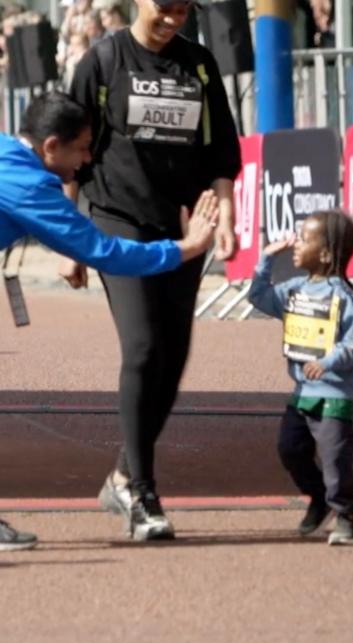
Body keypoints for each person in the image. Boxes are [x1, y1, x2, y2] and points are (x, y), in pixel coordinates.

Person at [0, 91, 218, 551]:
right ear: (51, 146)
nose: (86, 161)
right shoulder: (29, 184)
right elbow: (105, 253)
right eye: (81, 148)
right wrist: (186, 248)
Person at [62, 0, 241, 542]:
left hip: (185, 226)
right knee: (141, 348)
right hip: (116, 218)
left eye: (183, 11)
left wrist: (226, 216)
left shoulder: (201, 66)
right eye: (164, 8)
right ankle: (143, 492)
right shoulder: (102, 59)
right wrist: (70, 237)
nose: (172, 19)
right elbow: (70, 148)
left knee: (172, 356)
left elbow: (221, 154)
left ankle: (121, 473)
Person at [248, 210, 353, 545]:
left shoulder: (344, 296)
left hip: (334, 395)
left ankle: (346, 516)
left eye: (304, 238)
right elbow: (258, 298)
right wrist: (265, 260)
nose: (296, 244)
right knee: (290, 449)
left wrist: (328, 361)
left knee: (335, 460)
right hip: (302, 392)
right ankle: (319, 499)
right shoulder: (295, 290)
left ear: (327, 253)